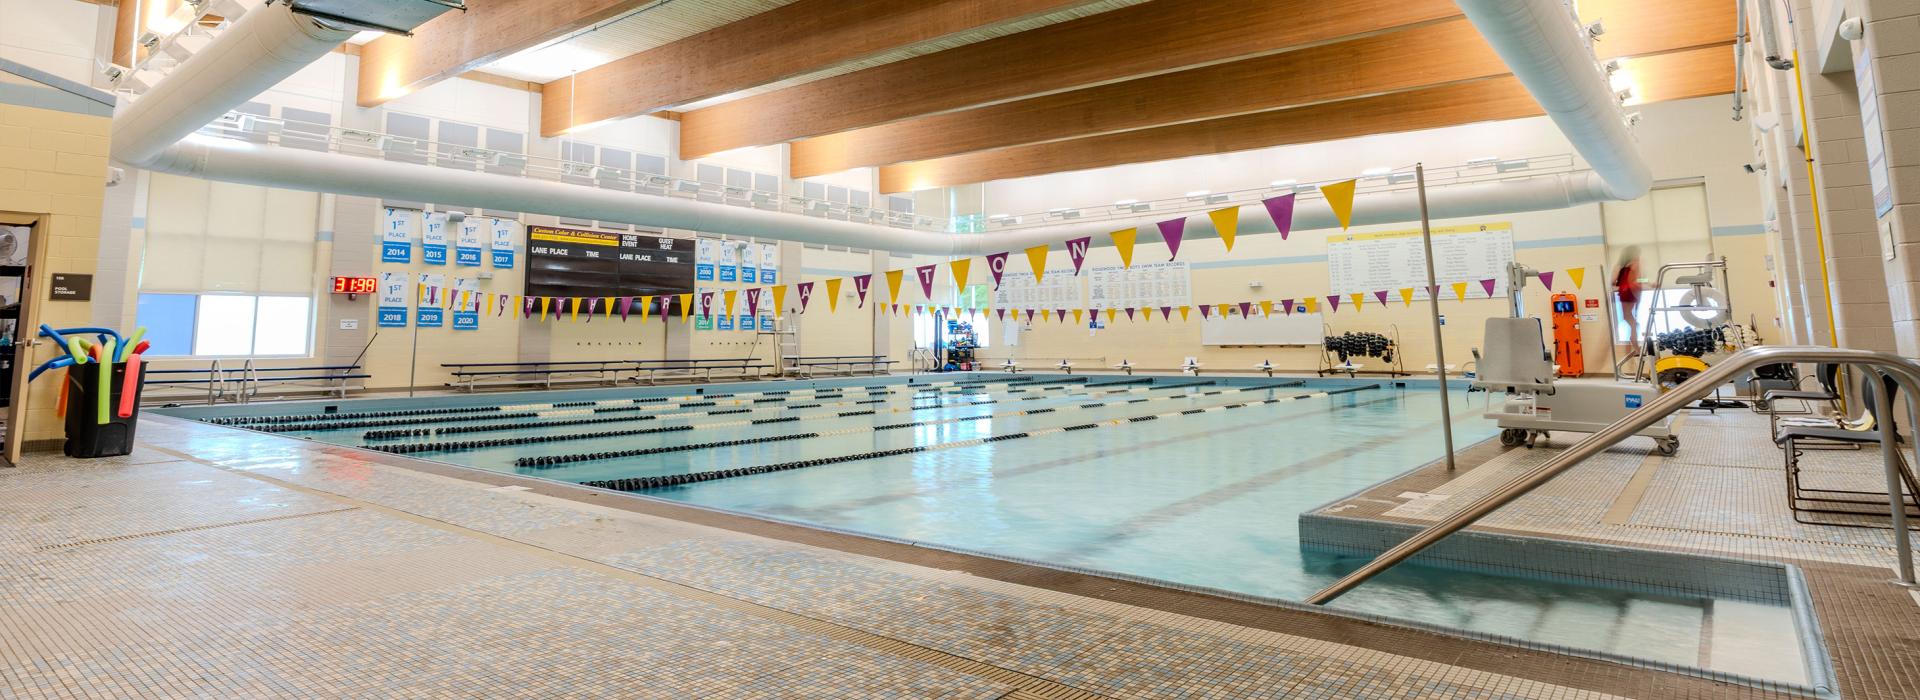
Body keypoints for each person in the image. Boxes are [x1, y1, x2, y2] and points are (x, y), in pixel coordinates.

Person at [1613, 246, 1643, 351]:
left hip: (1625, 292)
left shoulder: (1621, 266)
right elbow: (1639, 278)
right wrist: (1648, 281)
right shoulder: (1635, 263)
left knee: (1628, 317)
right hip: (1630, 292)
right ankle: (1634, 340)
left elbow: (1613, 281)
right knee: (1630, 318)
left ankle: (1634, 340)